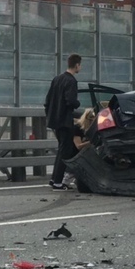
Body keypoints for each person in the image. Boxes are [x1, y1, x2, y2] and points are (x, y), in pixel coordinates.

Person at [44, 54, 82, 189]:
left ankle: (54, 178)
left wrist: (50, 116)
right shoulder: (71, 81)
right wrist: (78, 104)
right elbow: (70, 101)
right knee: (65, 152)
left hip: (54, 121)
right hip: (65, 121)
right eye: (80, 65)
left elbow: (47, 101)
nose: (80, 68)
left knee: (61, 150)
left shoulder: (57, 79)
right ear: (77, 65)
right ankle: (58, 182)